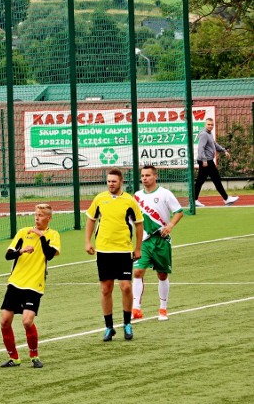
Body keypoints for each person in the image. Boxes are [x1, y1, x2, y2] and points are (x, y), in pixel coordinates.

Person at [85, 168, 144, 342]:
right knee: (105, 289)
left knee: (125, 286)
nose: (111, 184)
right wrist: (88, 241)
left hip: (124, 251)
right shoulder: (99, 199)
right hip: (103, 251)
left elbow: (139, 225)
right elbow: (91, 219)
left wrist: (138, 248)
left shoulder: (129, 201)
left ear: (121, 182)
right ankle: (109, 327)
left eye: (114, 181)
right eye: (109, 181)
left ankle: (127, 323)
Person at [0, 204, 60, 369]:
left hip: (34, 285)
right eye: (36, 214)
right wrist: (21, 251)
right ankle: (14, 358)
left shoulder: (53, 235)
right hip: (15, 282)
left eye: (41, 215)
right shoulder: (23, 232)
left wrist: (41, 236)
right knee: (4, 321)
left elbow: (49, 255)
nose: (37, 218)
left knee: (27, 321)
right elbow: (7, 255)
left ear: (49, 218)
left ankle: (34, 356)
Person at [132, 165, 184, 321]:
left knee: (162, 275)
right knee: (138, 272)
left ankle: (163, 308)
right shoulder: (136, 196)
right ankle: (136, 308)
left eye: (148, 175)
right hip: (145, 241)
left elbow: (179, 212)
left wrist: (170, 226)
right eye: (142, 175)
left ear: (155, 176)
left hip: (161, 241)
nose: (144, 178)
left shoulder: (165, 194)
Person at [194, 118, 239, 207]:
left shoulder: (209, 134)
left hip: (207, 161)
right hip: (206, 162)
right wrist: (204, 160)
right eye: (208, 124)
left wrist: (224, 150)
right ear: (205, 124)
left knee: (202, 181)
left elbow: (214, 144)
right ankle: (226, 199)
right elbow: (200, 148)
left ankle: (194, 200)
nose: (210, 126)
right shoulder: (204, 134)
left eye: (212, 125)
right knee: (215, 180)